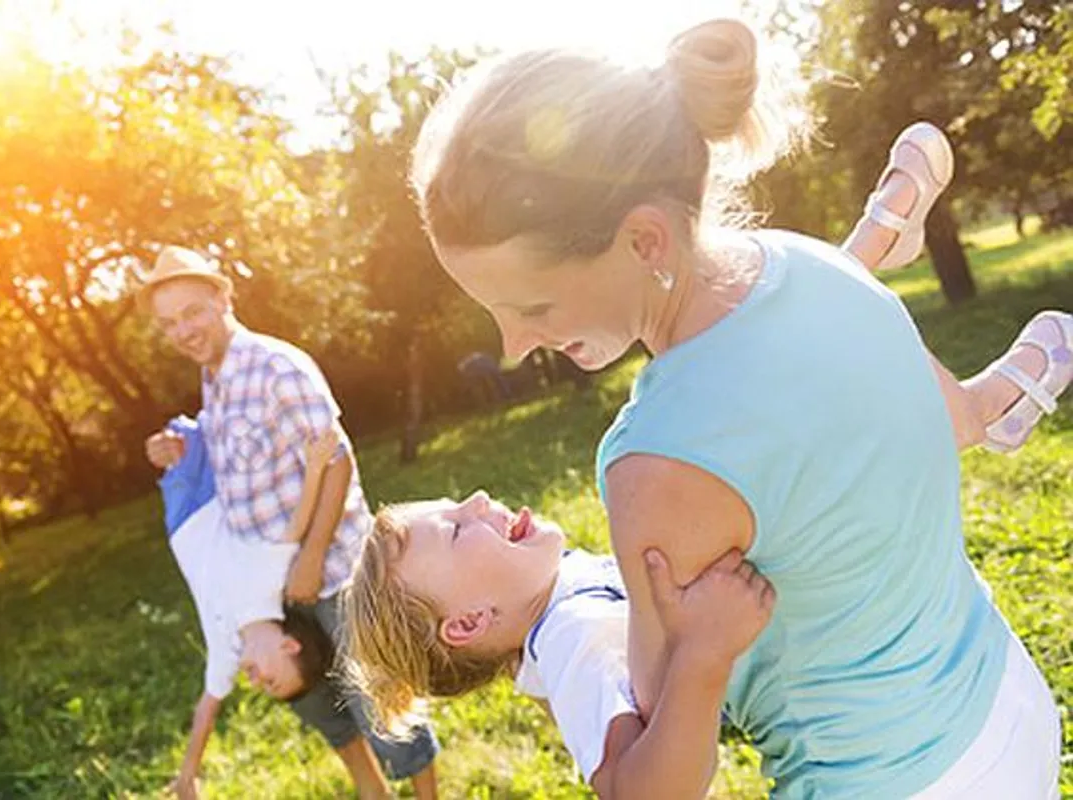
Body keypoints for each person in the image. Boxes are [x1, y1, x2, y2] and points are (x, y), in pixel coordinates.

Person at [407, 17, 1067, 798]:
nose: (515, 343)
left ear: (645, 241)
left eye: (532, 304)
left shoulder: (653, 463)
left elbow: (660, 734)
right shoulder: (814, 265)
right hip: (1005, 700)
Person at [138, 249, 440, 799]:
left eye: (194, 312)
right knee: (322, 707)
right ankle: (374, 794)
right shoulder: (215, 380)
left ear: (224, 298)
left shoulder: (277, 366)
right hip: (276, 589)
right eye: (169, 323)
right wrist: (174, 446)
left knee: (383, 701)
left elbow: (337, 458)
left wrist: (309, 556)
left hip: (338, 573)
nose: (184, 330)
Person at [345, 493, 773, 799]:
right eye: (456, 530)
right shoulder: (569, 639)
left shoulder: (554, 597)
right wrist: (704, 654)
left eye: (456, 501)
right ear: (470, 621)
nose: (477, 499)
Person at [158, 415, 337, 798]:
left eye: (261, 687)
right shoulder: (270, 587)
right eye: (270, 680)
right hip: (214, 498)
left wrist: (188, 774)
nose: (253, 682)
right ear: (290, 645)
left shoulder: (228, 650)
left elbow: (207, 709)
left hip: (180, 518)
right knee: (206, 427)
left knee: (178, 442)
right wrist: (317, 465)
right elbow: (296, 526)